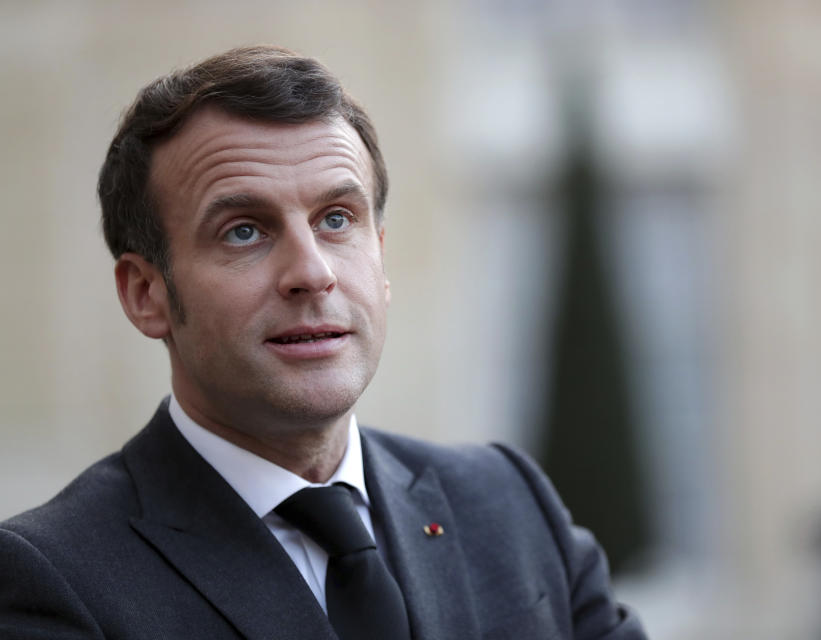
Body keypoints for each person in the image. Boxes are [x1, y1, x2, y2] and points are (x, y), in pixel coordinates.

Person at [0, 45, 647, 640]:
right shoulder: (51, 581)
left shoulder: (510, 506)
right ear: (147, 294)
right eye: (244, 231)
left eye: (337, 219)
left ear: (381, 259)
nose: (312, 272)